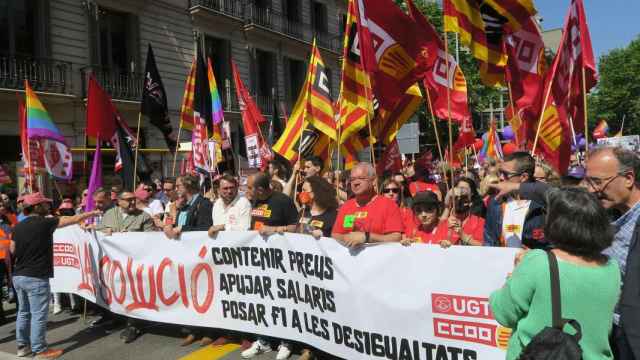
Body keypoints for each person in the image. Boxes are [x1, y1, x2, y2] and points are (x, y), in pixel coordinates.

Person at [489, 187, 620, 360]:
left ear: (555, 223)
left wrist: (514, 274)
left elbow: (503, 312)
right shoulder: (612, 267)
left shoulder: (538, 262)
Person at [11, 192, 99, 358]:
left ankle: (22, 347)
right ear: (36, 207)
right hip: (36, 276)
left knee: (23, 312)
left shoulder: (17, 227)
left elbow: (12, 250)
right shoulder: (44, 223)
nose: (48, 206)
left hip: (19, 275)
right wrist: (91, 213)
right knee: (38, 315)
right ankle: (40, 350)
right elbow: (70, 220)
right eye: (44, 204)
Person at [242, 172, 298, 360]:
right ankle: (263, 341)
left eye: (249, 187)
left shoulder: (283, 201)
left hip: (280, 263)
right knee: (261, 302)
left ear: (259, 189)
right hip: (259, 262)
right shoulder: (256, 201)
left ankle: (286, 342)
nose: (246, 190)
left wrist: (273, 230)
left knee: (281, 303)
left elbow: (294, 228)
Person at [483, 152, 547, 249]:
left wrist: (534, 255)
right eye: (500, 172)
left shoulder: (543, 206)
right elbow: (489, 240)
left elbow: (552, 245)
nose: (500, 177)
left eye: (505, 174)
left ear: (524, 177)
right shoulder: (496, 202)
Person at [332, 163, 404, 247]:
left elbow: (396, 237)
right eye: (352, 179)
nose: (356, 183)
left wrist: (366, 237)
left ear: (373, 181)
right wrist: (348, 238)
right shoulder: (346, 207)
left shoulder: (388, 205)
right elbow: (336, 235)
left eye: (361, 178)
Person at [163, 175, 213, 239]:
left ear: (188, 186)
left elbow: (206, 228)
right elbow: (179, 226)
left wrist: (182, 228)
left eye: (178, 186)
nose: (176, 189)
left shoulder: (204, 203)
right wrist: (170, 227)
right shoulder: (183, 206)